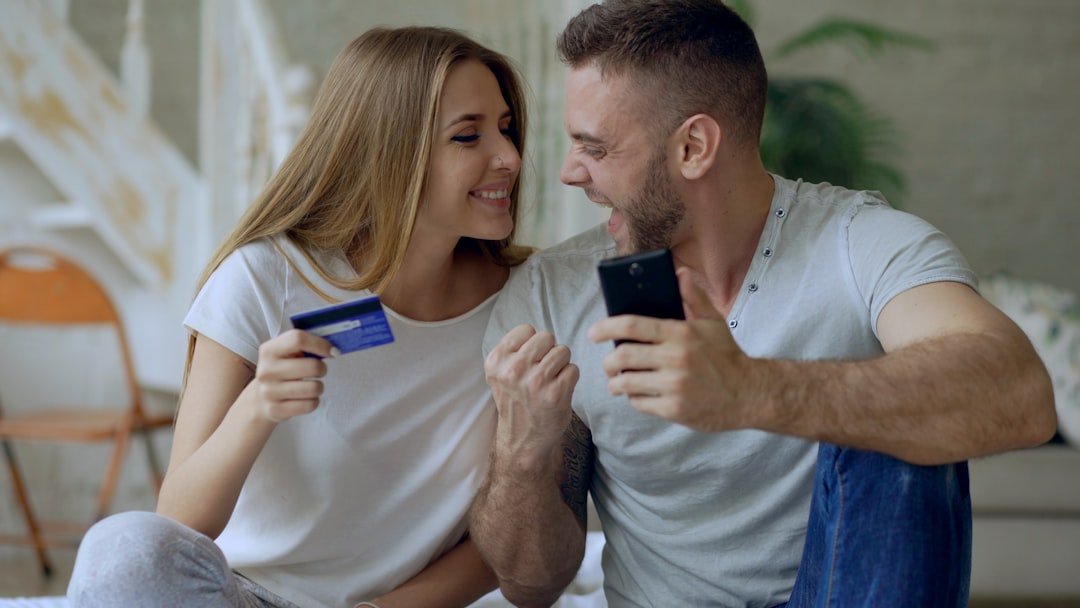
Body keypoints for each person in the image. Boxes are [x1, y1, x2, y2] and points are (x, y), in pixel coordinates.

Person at [468, 1, 1058, 607]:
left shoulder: (858, 241)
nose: (569, 172)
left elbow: (1021, 394)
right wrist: (520, 454)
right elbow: (531, 586)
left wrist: (748, 390)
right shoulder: (552, 293)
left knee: (903, 424)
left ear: (694, 146)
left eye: (594, 148)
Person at [66, 26, 530, 608]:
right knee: (123, 550)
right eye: (468, 136)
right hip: (242, 596)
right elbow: (178, 523)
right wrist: (258, 406)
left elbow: (505, 539)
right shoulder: (266, 277)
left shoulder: (525, 303)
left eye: (506, 129)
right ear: (387, 150)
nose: (510, 158)